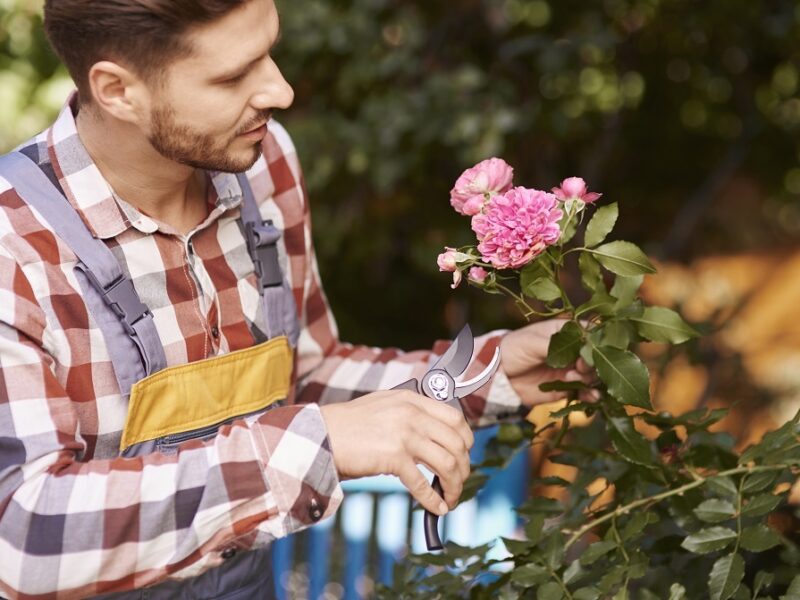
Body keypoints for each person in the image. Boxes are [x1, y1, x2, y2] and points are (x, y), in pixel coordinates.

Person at [0, 1, 591, 598]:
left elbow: (302, 376)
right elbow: (21, 538)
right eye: (233, 76)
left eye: (270, 51)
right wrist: (318, 443)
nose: (280, 91)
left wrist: (481, 376)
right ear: (117, 90)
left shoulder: (261, 164)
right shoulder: (14, 247)